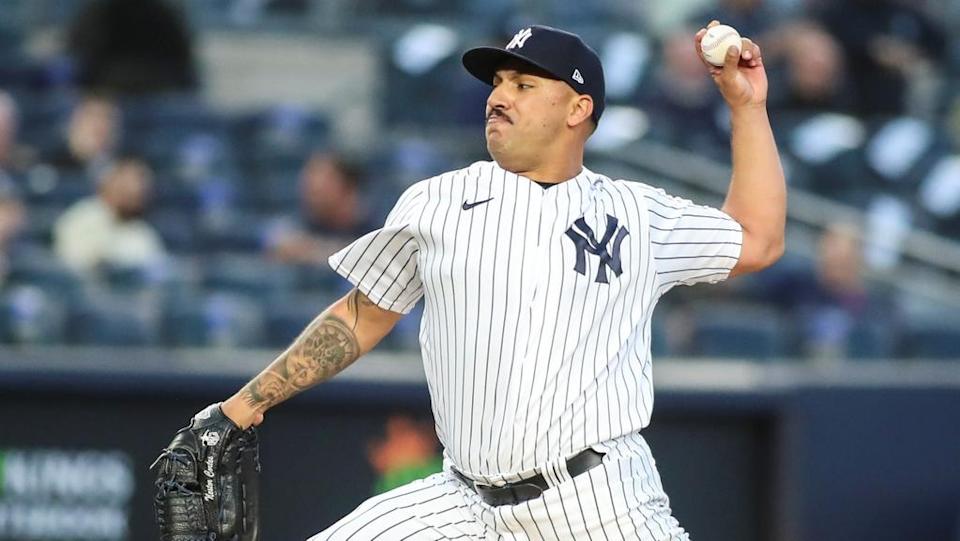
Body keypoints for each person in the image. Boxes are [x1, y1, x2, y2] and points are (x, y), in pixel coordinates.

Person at [214, 22, 785, 538]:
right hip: (461, 501)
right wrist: (238, 408)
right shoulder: (435, 201)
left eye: (523, 85)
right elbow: (362, 316)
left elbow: (758, 240)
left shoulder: (636, 214)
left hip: (598, 503)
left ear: (577, 108)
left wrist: (746, 107)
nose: (499, 96)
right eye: (499, 83)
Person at [52, 156, 166, 274]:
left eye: (141, 191)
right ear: (110, 183)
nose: (135, 192)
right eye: (126, 187)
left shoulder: (143, 233)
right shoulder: (81, 218)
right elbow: (73, 262)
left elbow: (155, 272)